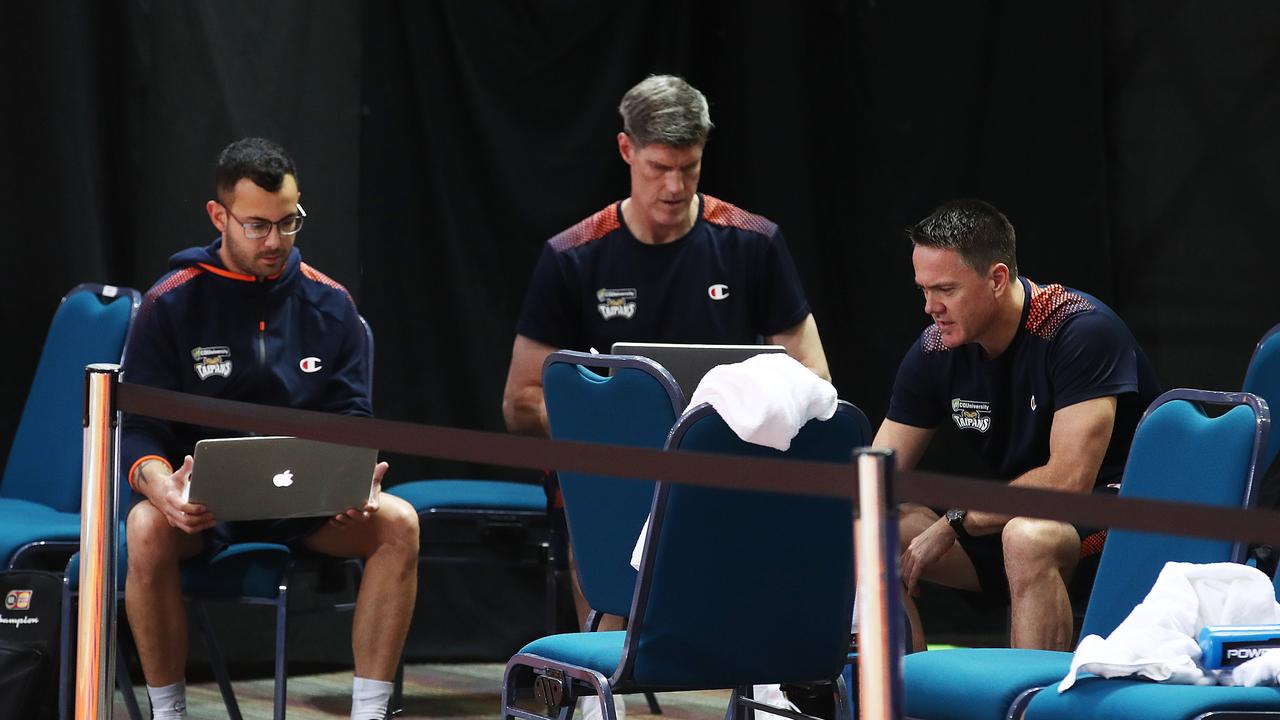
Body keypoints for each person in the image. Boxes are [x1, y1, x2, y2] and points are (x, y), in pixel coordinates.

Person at [501, 75, 830, 718]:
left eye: (689, 167)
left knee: (789, 485)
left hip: (729, 460)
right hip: (621, 470)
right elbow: (519, 402)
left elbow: (816, 379)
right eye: (659, 168)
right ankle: (604, 694)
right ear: (626, 151)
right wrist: (608, 423)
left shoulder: (754, 241)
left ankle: (768, 688)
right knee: (597, 487)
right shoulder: (572, 256)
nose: (675, 188)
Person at [121, 137, 419, 720]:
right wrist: (163, 488)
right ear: (219, 216)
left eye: (290, 222)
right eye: (258, 226)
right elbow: (139, 432)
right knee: (144, 528)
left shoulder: (332, 306)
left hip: (308, 506)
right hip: (201, 508)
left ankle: (372, 712)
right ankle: (168, 713)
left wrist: (353, 480)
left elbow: (352, 418)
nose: (276, 242)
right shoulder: (170, 303)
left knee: (398, 524)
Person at [874, 198, 1160, 652]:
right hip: (1012, 515)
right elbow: (878, 472)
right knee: (873, 531)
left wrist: (954, 522)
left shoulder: (1078, 330)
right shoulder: (935, 348)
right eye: (923, 290)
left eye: (946, 289)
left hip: (1115, 516)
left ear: (997, 279)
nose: (931, 307)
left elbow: (1069, 482)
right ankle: (903, 698)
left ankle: (1028, 706)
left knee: (1027, 536)